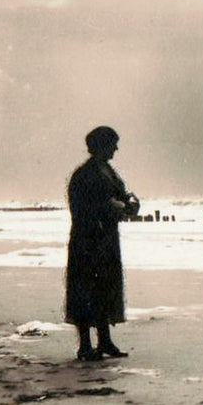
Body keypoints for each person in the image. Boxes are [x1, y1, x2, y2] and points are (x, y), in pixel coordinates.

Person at [65, 126, 140, 361]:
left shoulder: (107, 170)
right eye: (113, 144)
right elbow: (85, 206)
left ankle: (105, 341)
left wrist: (129, 202)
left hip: (105, 239)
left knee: (105, 288)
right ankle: (85, 346)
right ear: (101, 145)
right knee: (86, 289)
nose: (116, 148)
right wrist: (114, 207)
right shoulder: (86, 174)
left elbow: (121, 194)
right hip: (88, 240)